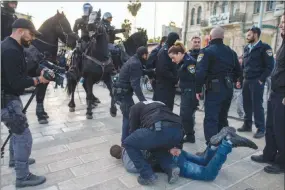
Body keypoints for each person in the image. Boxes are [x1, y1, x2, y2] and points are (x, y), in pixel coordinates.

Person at [1, 18, 52, 187]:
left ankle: (14, 160)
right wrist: (39, 80)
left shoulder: (14, 47)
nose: (32, 38)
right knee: (23, 135)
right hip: (5, 98)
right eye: (30, 34)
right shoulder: (10, 50)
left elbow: (26, 68)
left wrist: (41, 70)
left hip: (9, 96)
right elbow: (16, 82)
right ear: (21, 31)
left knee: (15, 131)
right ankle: (22, 177)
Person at [111, 127, 258, 181]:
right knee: (203, 161)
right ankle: (213, 146)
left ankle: (227, 143)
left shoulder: (127, 159)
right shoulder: (134, 141)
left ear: (118, 157)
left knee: (208, 174)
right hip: (175, 151)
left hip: (171, 163)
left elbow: (138, 167)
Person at [195, 26, 242, 148]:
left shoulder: (206, 51)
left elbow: (200, 72)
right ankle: (223, 144)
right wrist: (234, 80)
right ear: (223, 37)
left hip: (214, 87)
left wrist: (198, 89)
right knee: (222, 117)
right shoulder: (231, 52)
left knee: (211, 119)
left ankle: (212, 148)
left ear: (210, 37)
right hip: (228, 88)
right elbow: (239, 72)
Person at [251, 13, 285, 174]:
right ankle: (269, 154)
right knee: (271, 126)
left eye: (284, 22)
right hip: (275, 91)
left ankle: (282, 162)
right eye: (282, 22)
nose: (281, 25)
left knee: (281, 129)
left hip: (283, 94)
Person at [122, 100, 184, 185]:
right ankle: (171, 167)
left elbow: (133, 131)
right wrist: (177, 146)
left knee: (128, 143)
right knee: (156, 143)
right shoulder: (160, 103)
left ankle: (147, 175)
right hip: (178, 132)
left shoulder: (134, 108)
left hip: (159, 129)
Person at [237, 27, 274, 139]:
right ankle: (247, 124)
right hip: (246, 80)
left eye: (249, 35)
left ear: (256, 34)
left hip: (257, 81)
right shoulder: (246, 48)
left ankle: (261, 128)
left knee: (257, 105)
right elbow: (243, 66)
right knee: (246, 104)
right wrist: (240, 79)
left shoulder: (265, 48)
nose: (247, 37)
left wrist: (261, 79)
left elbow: (270, 66)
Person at [113, 46, 148, 142]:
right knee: (128, 117)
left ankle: (127, 140)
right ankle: (125, 143)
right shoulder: (135, 63)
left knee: (129, 117)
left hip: (121, 93)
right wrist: (143, 101)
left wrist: (148, 72)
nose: (147, 57)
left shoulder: (133, 59)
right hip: (124, 94)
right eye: (146, 55)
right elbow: (135, 85)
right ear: (144, 55)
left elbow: (134, 73)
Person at [168, 42, 198, 143]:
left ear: (180, 53)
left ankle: (189, 135)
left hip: (190, 92)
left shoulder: (189, 62)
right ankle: (188, 135)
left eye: (173, 57)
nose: (172, 60)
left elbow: (194, 78)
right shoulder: (182, 62)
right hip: (185, 91)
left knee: (186, 115)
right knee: (185, 115)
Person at [155, 32, 180, 111]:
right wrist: (174, 79)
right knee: (164, 110)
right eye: (176, 40)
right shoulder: (165, 51)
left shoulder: (169, 49)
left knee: (168, 109)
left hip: (168, 86)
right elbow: (163, 70)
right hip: (164, 87)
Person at [146, 36, 167, 100]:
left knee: (159, 96)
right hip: (155, 78)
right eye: (166, 43)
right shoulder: (156, 50)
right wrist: (150, 77)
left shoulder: (165, 50)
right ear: (162, 42)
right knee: (158, 96)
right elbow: (149, 64)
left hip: (162, 78)